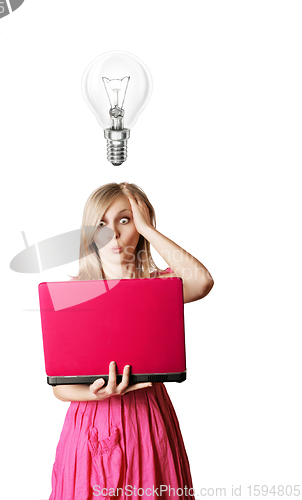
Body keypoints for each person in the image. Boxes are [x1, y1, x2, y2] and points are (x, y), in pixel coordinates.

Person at [48, 182, 214, 500]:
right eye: (101, 224)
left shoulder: (159, 288)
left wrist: (148, 229)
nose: (113, 233)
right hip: (90, 423)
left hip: (148, 419)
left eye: (124, 220)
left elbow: (202, 281)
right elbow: (60, 387)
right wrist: (97, 395)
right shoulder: (71, 296)